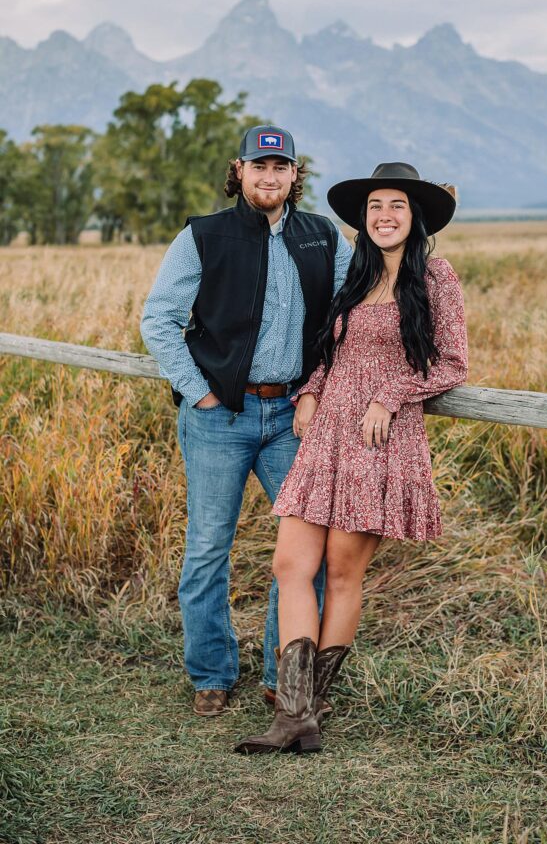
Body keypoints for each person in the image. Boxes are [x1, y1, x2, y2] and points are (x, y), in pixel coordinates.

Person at [235, 162, 468, 754]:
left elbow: (452, 365)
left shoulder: (436, 277)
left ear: (415, 218)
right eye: (375, 207)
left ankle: (305, 713)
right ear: (364, 220)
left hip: (376, 444)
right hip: (325, 437)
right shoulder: (357, 274)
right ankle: (294, 714)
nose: (384, 216)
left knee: (342, 574)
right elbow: (332, 353)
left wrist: (389, 398)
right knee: (290, 566)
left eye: (396, 206)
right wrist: (311, 388)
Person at [140, 125, 353, 716]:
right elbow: (158, 320)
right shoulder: (203, 236)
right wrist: (200, 394)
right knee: (209, 547)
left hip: (293, 415)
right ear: (239, 170)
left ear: (294, 175)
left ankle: (281, 673)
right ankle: (210, 672)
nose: (269, 176)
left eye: (280, 167)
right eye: (258, 166)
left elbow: (350, 318)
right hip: (219, 418)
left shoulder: (323, 238)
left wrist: (317, 391)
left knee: (305, 554)